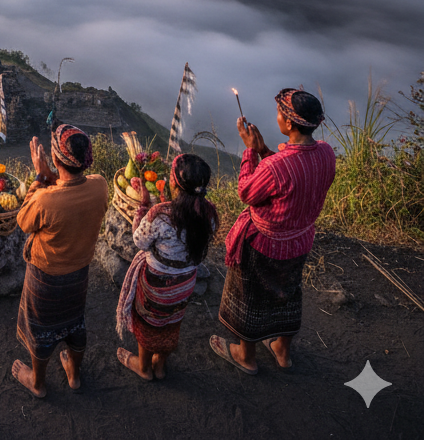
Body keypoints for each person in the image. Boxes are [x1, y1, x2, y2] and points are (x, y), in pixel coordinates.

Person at [210, 88, 336, 374]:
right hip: (299, 241)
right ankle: (282, 350)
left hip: (265, 245)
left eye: (280, 112)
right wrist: (264, 150)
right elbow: (291, 183)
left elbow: (247, 192)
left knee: (250, 297)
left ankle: (246, 356)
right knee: (287, 294)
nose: (277, 117)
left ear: (289, 124)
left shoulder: (278, 166)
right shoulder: (326, 153)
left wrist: (250, 152)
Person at [12, 124, 108, 398]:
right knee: (75, 324)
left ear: (55, 160)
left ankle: (38, 383)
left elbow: (23, 221)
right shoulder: (100, 186)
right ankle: (75, 375)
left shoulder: (45, 200)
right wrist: (51, 175)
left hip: (45, 279)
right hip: (79, 275)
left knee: (40, 332)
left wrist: (39, 178)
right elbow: (70, 186)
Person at [115, 153, 219, 380]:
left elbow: (139, 242)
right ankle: (159, 366)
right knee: (171, 322)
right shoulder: (209, 214)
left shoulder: (160, 216)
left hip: (156, 285)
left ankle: (144, 368)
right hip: (184, 285)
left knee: (148, 323)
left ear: (173, 183)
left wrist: (142, 212)